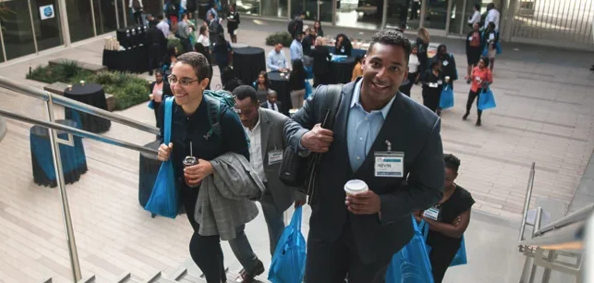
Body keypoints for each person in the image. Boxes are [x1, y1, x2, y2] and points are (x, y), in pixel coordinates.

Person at [283, 29, 444, 283]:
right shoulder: (328, 98)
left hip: (378, 237)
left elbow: (431, 190)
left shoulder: (423, 124)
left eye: (394, 69)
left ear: (405, 75)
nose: (382, 75)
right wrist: (304, 138)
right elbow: (289, 127)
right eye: (377, 64)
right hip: (326, 229)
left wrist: (382, 204)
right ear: (363, 62)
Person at [156, 52, 256, 283]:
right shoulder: (168, 108)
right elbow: (164, 137)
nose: (176, 87)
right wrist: (163, 150)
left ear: (203, 83)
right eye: (173, 79)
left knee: (200, 245)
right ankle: (218, 278)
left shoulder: (222, 117)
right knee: (209, 244)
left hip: (217, 193)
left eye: (185, 81)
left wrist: (211, 166)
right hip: (189, 193)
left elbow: (243, 157)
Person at [229, 85, 306, 282]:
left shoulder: (279, 122)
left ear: (258, 105)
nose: (244, 117)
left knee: (277, 231)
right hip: (243, 186)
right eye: (239, 113)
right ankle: (251, 266)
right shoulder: (231, 121)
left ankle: (278, 270)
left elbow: (297, 154)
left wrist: (299, 191)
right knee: (232, 228)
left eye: (248, 112)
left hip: (271, 188)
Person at [418, 154, 474, 283]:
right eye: (439, 177)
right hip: (418, 242)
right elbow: (411, 215)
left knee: (433, 278)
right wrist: (445, 226)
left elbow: (457, 231)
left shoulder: (463, 198)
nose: (442, 182)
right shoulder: (425, 187)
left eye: (447, 179)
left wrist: (424, 219)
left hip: (443, 248)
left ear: (455, 177)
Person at [463, 56, 493, 127]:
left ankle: (479, 119)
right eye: (480, 62)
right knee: (469, 101)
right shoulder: (475, 69)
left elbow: (490, 81)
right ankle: (467, 112)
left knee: (479, 105)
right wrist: (469, 78)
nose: (480, 64)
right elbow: (472, 77)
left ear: (485, 64)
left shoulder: (488, 72)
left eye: (482, 63)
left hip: (481, 89)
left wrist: (484, 82)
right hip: (473, 88)